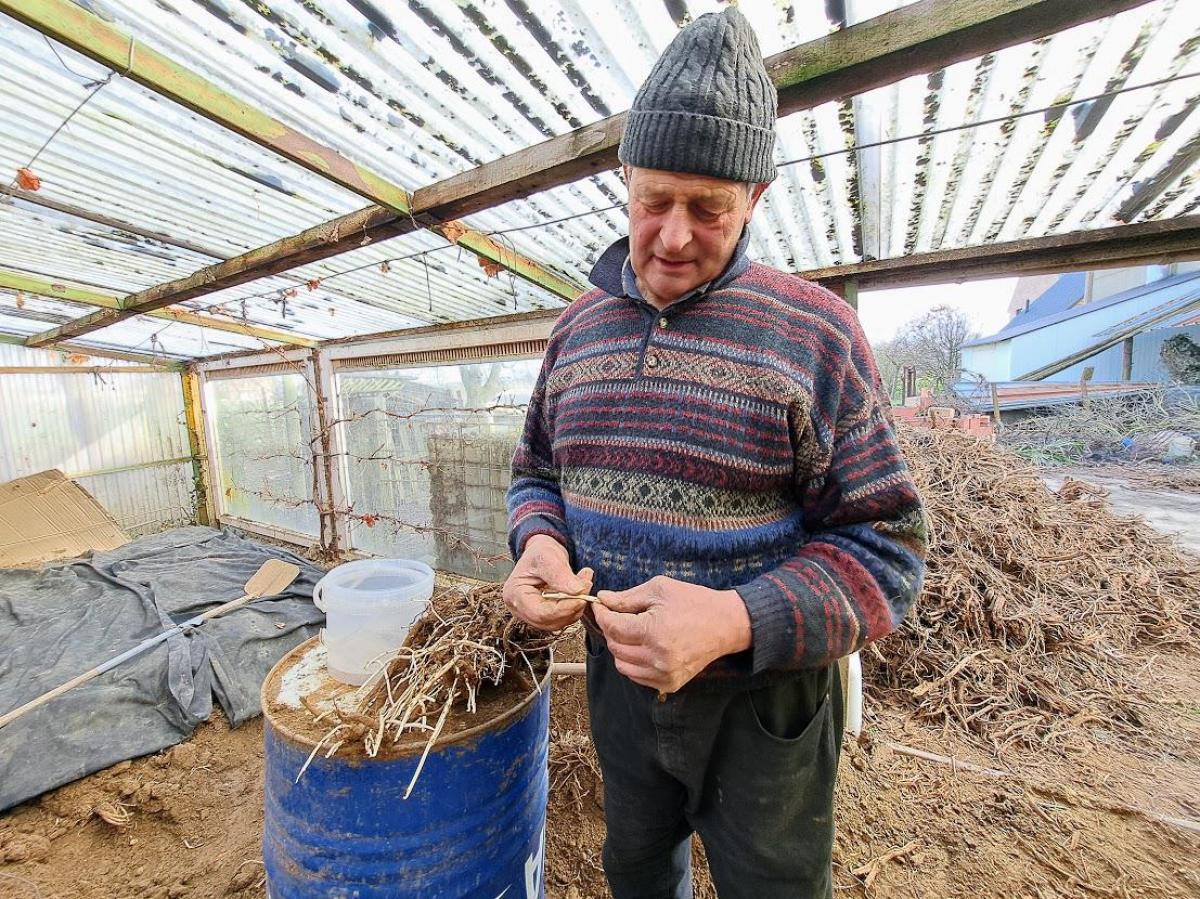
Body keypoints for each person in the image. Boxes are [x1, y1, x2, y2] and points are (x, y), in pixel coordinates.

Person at [503, 9, 927, 898]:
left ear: (757, 200)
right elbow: (537, 471)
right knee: (638, 868)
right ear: (624, 178)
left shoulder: (817, 334)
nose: (674, 234)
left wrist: (734, 620)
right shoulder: (576, 331)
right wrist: (538, 543)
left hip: (763, 700)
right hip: (620, 686)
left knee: (770, 884)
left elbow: (886, 552)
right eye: (654, 199)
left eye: (711, 208)